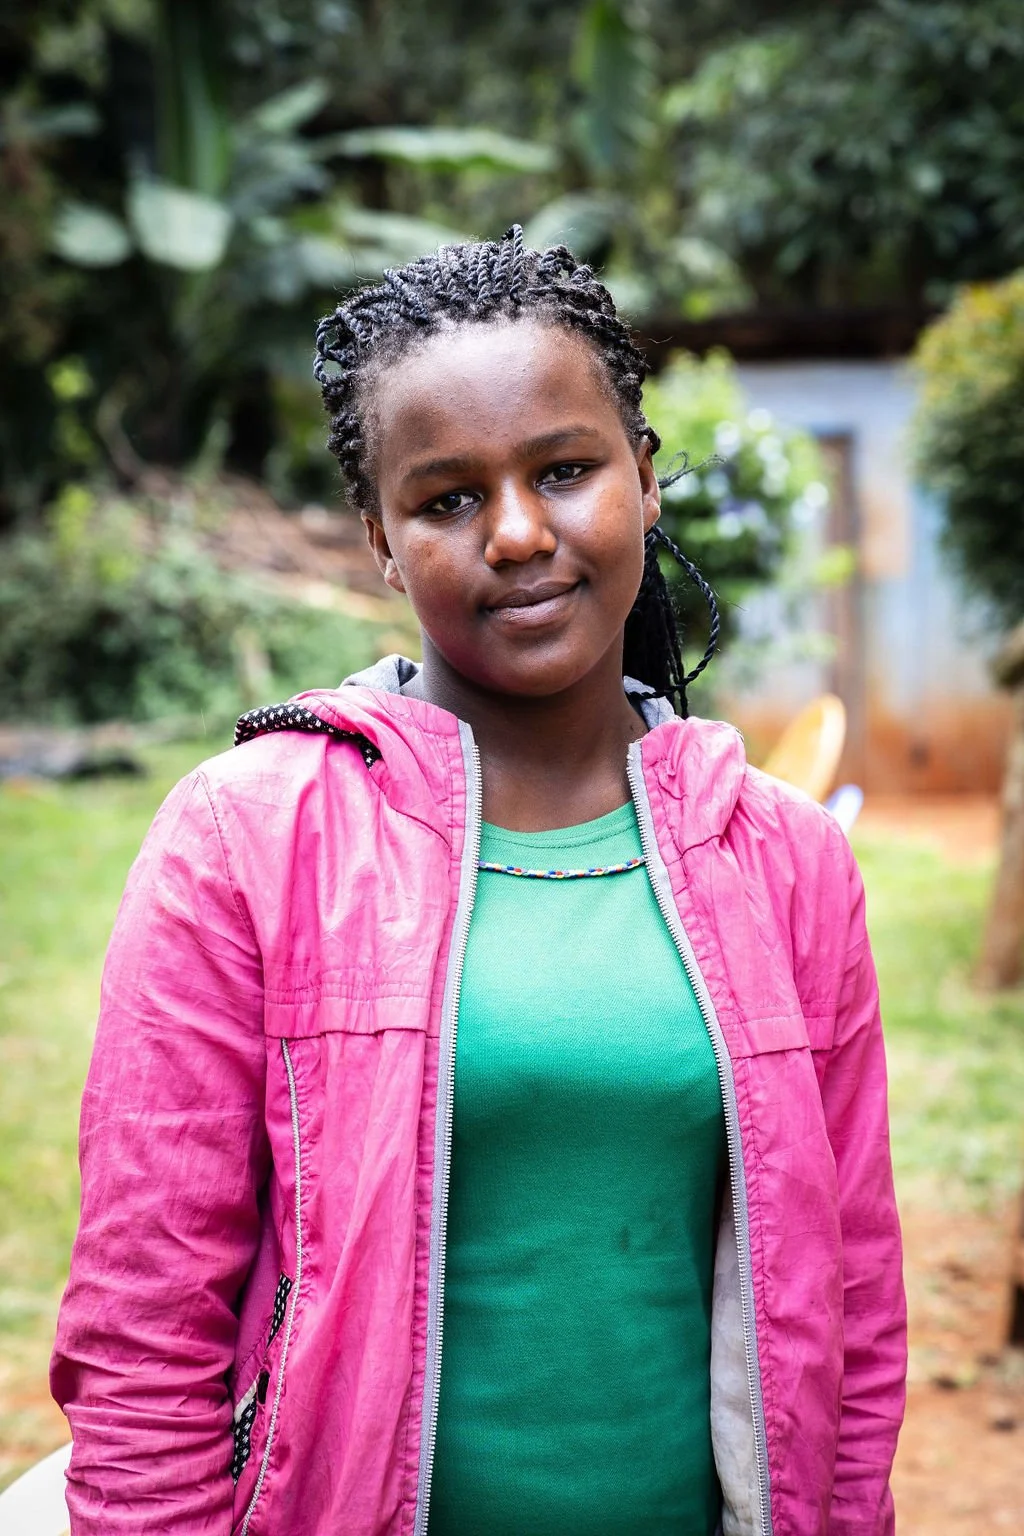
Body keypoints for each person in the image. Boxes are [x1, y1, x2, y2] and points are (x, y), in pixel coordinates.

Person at [51, 227, 906, 1536]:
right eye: (447, 498)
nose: (516, 534)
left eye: (565, 471)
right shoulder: (247, 839)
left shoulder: (786, 860)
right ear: (383, 542)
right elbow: (144, 1328)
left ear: (645, 480)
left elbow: (853, 1305)